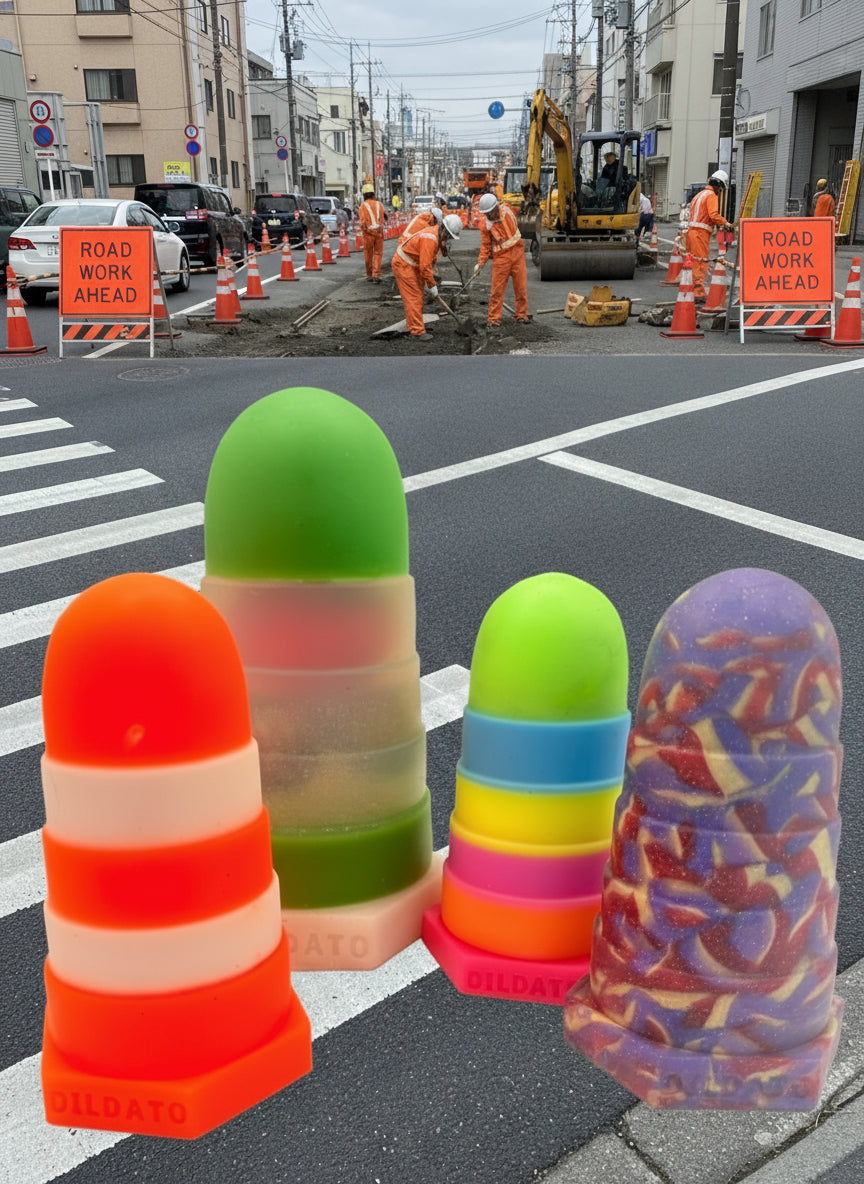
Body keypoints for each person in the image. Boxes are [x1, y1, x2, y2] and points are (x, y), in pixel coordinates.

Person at [391, 212, 462, 339]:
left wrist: (429, 283)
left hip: (412, 265)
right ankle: (417, 331)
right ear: (444, 230)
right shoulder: (430, 238)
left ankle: (415, 324)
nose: (448, 239)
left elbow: (429, 262)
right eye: (449, 236)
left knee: (417, 296)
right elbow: (425, 266)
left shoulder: (436, 234)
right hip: (404, 265)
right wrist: (431, 285)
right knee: (414, 298)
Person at [471, 191, 529, 327]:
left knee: (521, 288)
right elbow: (485, 246)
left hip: (517, 252)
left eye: (491, 211)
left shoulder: (508, 210)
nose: (490, 215)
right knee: (497, 290)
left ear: (496, 207)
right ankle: (493, 318)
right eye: (487, 213)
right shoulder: (485, 225)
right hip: (501, 257)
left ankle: (521, 315)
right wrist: (480, 264)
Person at [686, 169, 733, 301]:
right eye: (721, 188)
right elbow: (713, 215)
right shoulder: (711, 195)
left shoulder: (699, 195)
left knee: (694, 261)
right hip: (700, 234)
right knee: (701, 262)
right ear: (718, 185)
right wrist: (726, 223)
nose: (720, 191)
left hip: (691, 232)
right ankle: (698, 293)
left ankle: (692, 288)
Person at [358, 184, 387, 283]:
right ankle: (376, 275)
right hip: (379, 232)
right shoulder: (380, 205)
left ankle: (369, 275)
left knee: (368, 254)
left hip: (368, 234)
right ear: (374, 194)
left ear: (364, 195)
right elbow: (383, 219)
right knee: (378, 254)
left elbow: (362, 222)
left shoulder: (363, 206)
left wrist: (366, 230)